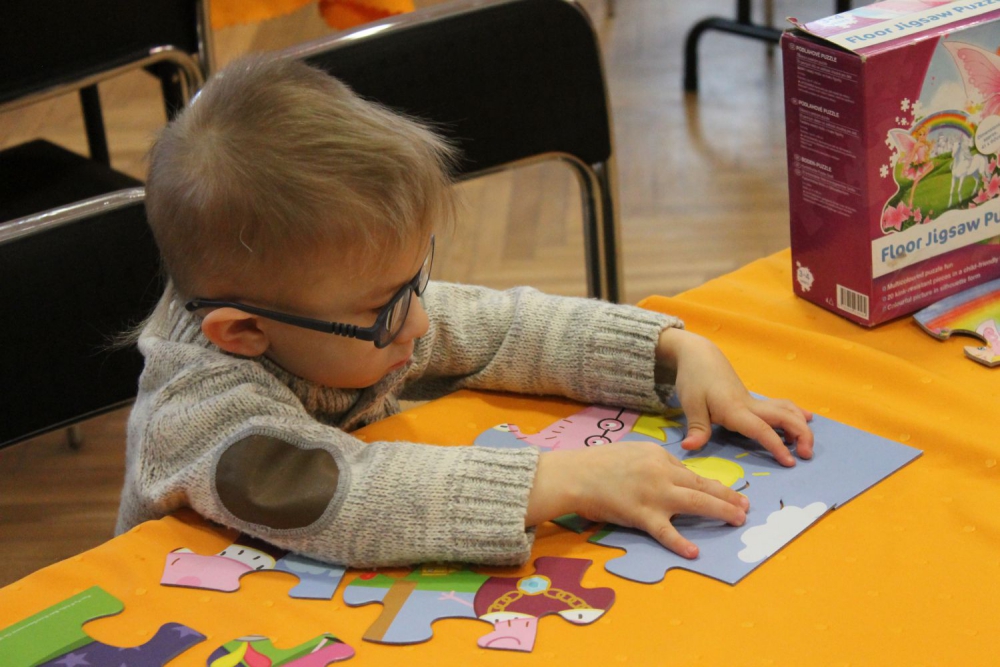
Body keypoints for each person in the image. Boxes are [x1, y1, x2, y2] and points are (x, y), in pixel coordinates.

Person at [118, 53, 813, 568]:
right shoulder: (195, 411)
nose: (419, 323)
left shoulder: (336, 315)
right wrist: (569, 479)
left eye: (415, 280)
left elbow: (506, 329)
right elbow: (348, 495)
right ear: (242, 331)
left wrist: (673, 353)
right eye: (388, 306)